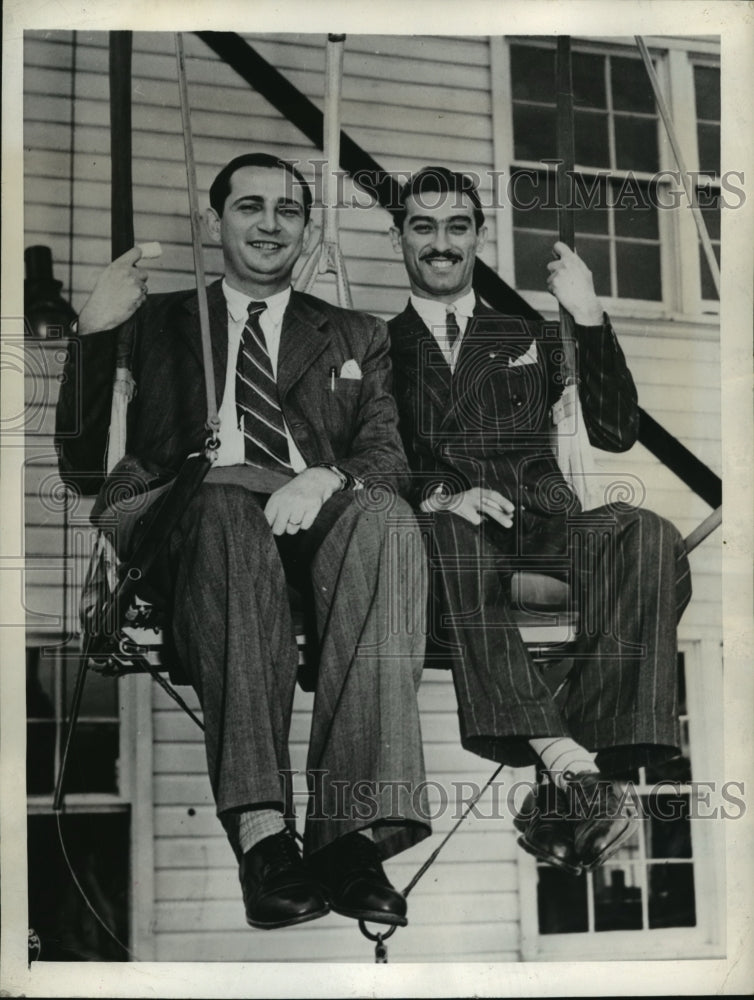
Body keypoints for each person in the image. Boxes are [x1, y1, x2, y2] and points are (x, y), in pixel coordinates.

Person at [56, 153, 431, 931]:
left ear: (307, 227)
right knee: (227, 502)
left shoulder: (355, 333)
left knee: (389, 517)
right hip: (176, 510)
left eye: (287, 211)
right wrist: (93, 331)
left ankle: (348, 835)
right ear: (213, 219)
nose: (269, 224)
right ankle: (262, 831)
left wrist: (323, 477)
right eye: (249, 207)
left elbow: (386, 460)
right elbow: (83, 464)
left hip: (307, 513)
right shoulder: (153, 320)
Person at [387, 166, 692, 874]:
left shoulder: (530, 333)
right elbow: (362, 456)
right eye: (423, 227)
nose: (441, 244)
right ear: (398, 235)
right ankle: (564, 760)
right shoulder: (370, 343)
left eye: (458, 227)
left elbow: (615, 432)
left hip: (546, 525)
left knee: (646, 535)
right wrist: (437, 497)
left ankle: (599, 769)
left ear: (477, 237)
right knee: (447, 535)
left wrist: (585, 316)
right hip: (446, 540)